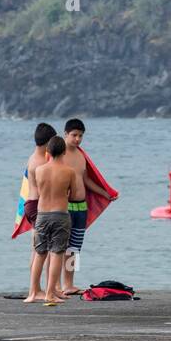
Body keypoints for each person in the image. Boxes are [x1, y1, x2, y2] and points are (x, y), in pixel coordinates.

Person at [59, 118, 116, 295]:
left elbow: (86, 180)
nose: (77, 139)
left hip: (81, 207)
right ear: (65, 134)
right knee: (59, 247)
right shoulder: (57, 154)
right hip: (64, 206)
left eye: (81, 136)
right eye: (74, 135)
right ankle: (55, 285)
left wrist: (104, 193)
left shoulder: (81, 155)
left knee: (74, 248)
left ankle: (69, 284)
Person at [32, 136, 82, 306]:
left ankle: (32, 292)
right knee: (57, 254)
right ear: (64, 152)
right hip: (61, 215)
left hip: (42, 215)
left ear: (48, 152)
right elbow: (75, 195)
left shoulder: (39, 170)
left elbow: (39, 191)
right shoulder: (69, 171)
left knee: (39, 253)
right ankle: (50, 293)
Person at [21, 122, 56, 302]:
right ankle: (34, 290)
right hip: (37, 206)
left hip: (30, 204)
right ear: (48, 142)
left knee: (36, 249)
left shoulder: (32, 157)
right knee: (40, 250)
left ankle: (36, 289)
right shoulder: (42, 161)